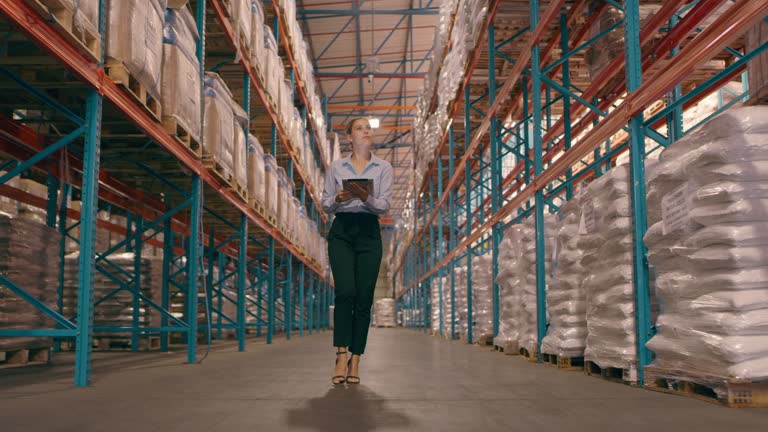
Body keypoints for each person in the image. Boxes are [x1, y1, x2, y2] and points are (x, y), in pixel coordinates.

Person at [321, 117, 393, 385]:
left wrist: (365, 196)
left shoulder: (383, 167)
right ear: (349, 136)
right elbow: (326, 202)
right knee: (345, 292)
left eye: (368, 129)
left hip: (368, 232)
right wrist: (338, 199)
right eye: (360, 128)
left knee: (364, 297)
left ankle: (356, 358)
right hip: (342, 231)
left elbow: (383, 206)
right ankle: (341, 354)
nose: (366, 132)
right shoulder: (336, 167)